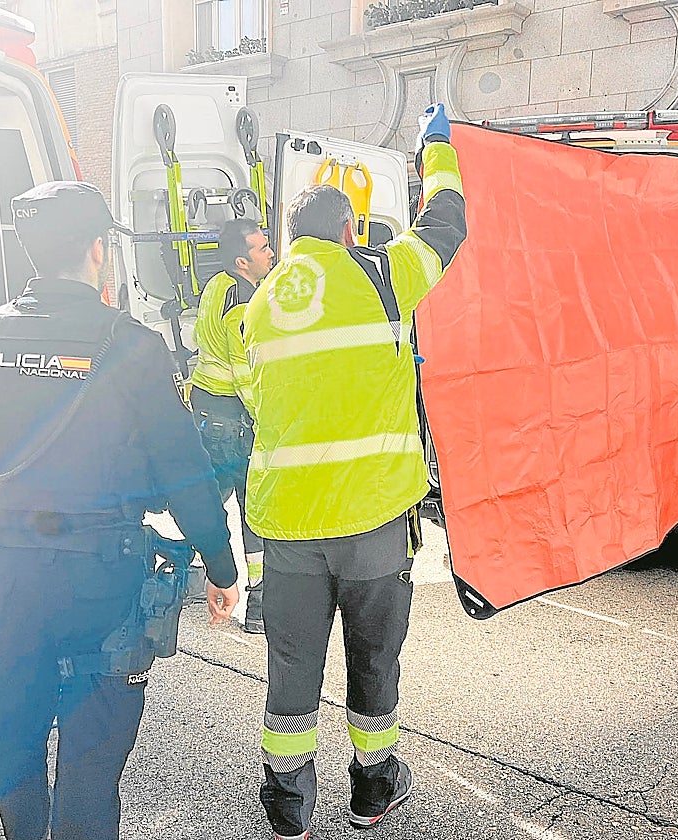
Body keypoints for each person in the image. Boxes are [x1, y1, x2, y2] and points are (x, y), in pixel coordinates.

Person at [0, 181, 240, 840]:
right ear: (98, 250)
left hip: (13, 579)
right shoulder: (130, 344)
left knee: (14, 744)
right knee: (93, 764)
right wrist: (220, 566)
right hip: (107, 582)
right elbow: (185, 473)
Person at [243, 104, 466, 839]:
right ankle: (372, 789)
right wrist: (437, 150)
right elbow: (447, 225)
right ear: (347, 231)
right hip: (371, 524)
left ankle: (288, 805)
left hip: (288, 527)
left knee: (292, 670)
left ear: (288, 239)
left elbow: (260, 396)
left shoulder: (262, 301)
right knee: (373, 663)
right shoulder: (380, 273)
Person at [188, 218, 275, 633]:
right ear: (243, 261)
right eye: (262, 249)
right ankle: (258, 605)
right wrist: (270, 419)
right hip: (234, 420)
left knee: (204, 502)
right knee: (252, 513)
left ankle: (186, 571)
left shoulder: (216, 285)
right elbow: (246, 375)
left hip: (205, 410)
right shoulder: (242, 303)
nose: (271, 252)